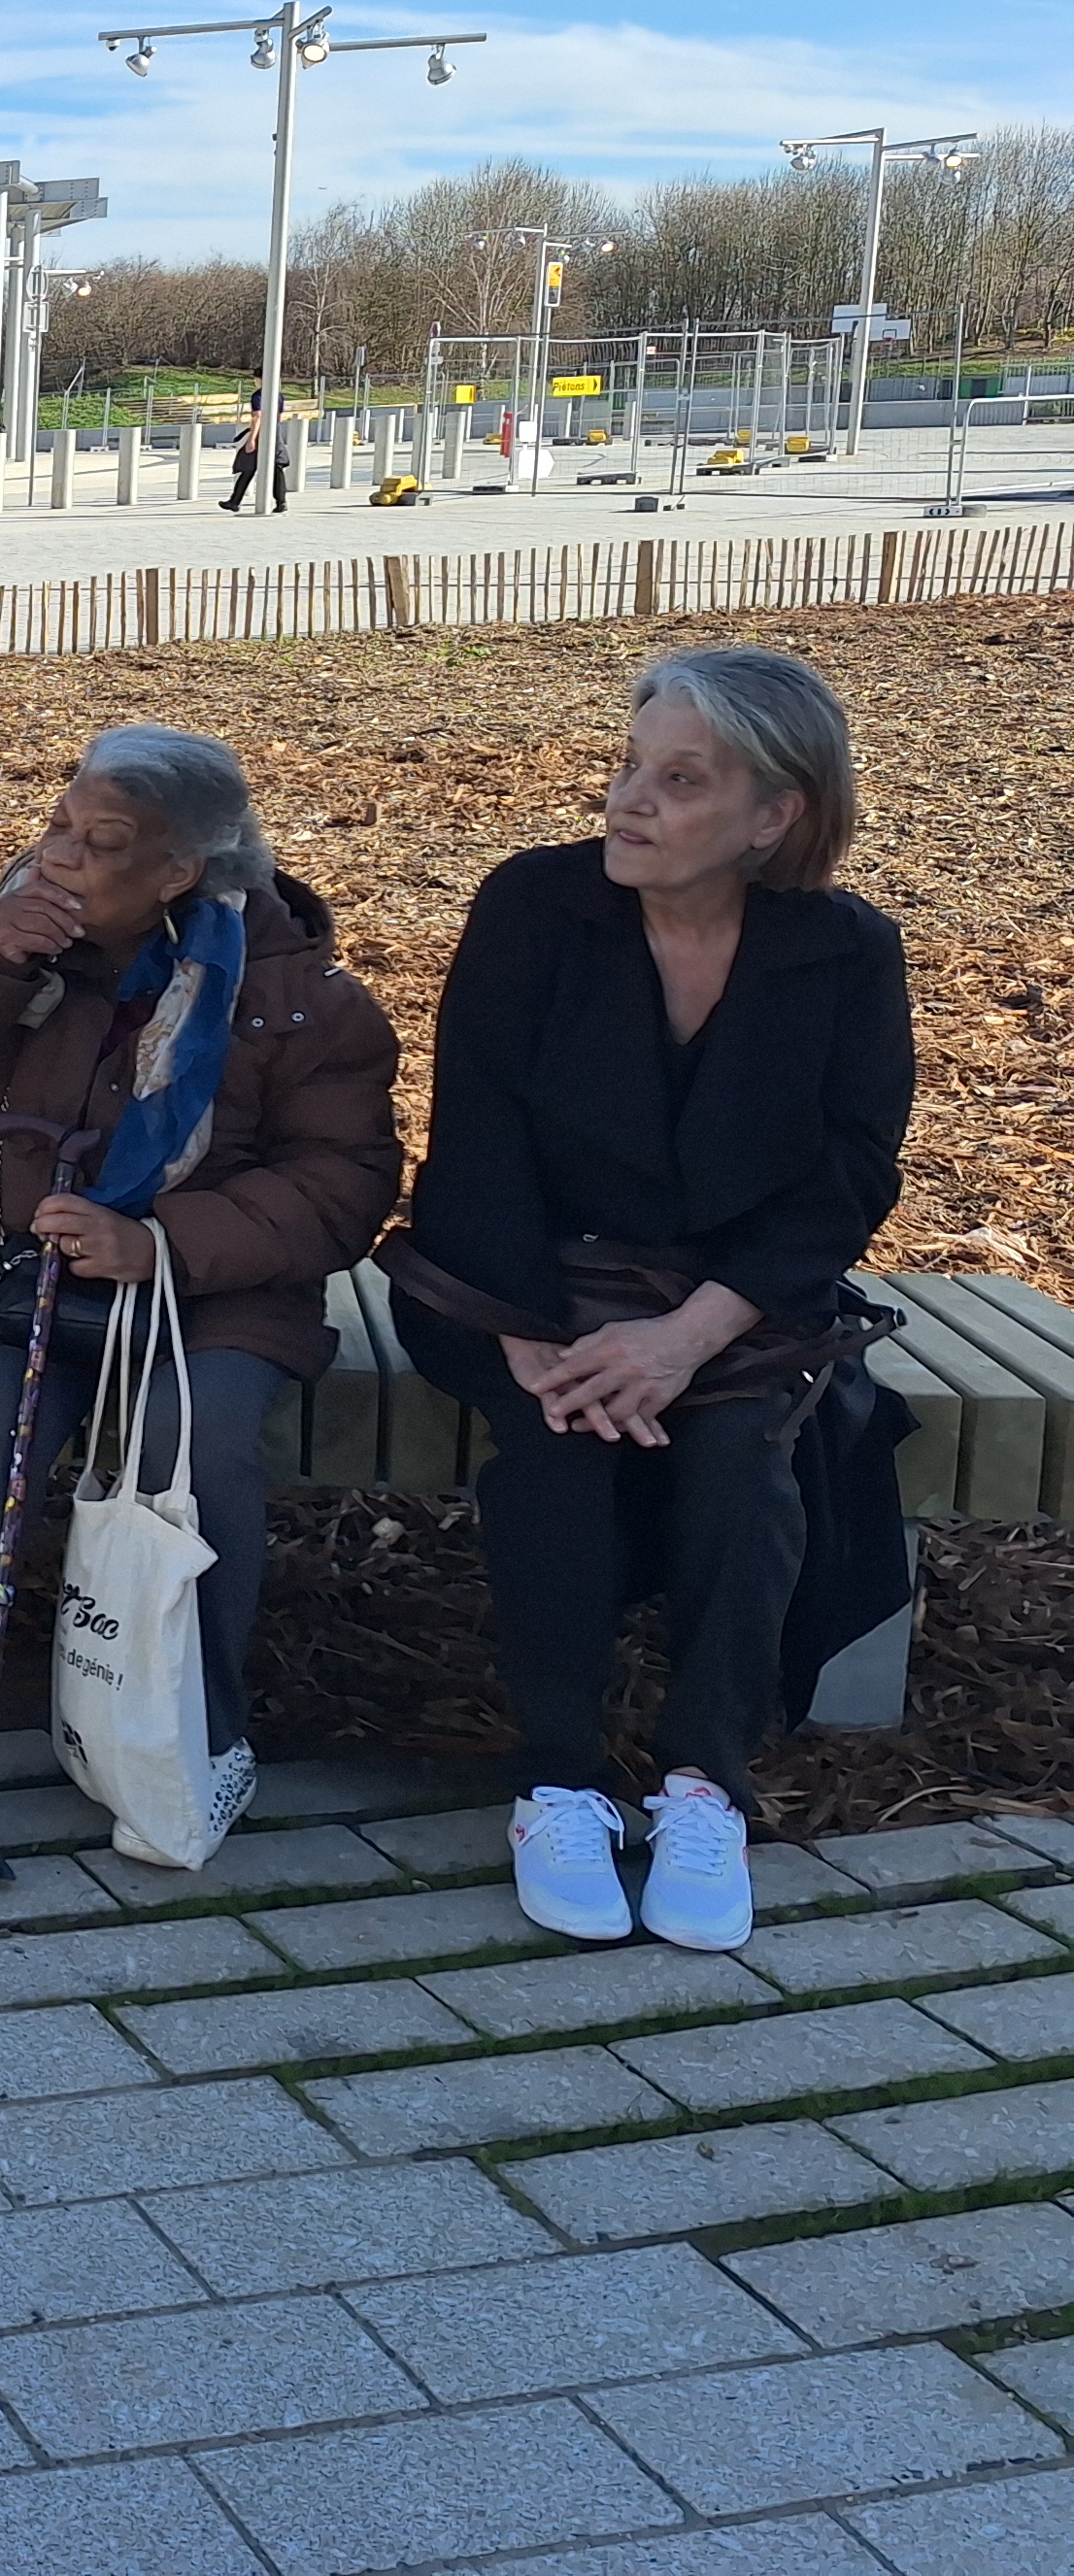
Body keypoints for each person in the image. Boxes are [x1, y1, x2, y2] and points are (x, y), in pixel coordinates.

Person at [388, 648, 911, 1956]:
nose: (630, 800)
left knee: (745, 1458)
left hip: (729, 1310)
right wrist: (549, 1348)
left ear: (772, 815)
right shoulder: (535, 907)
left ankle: (702, 1789)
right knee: (558, 1442)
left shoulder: (845, 951)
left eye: (680, 781)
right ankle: (557, 1780)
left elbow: (850, 1173)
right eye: (631, 768)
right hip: (517, 1285)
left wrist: (684, 1339)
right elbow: (477, 1144)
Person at [0, 727, 402, 1874]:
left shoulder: (297, 993)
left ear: (181, 869)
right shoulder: (8, 943)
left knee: (200, 1435)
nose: (62, 856)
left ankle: (198, 1742)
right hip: (7, 1270)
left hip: (211, 1291)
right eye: (59, 825)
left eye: (102, 841)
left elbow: (343, 1186)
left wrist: (159, 1241)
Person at [222, 391, 293, 515]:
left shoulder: (258, 396)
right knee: (277, 466)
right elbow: (278, 416)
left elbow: (257, 417)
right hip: (274, 432)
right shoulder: (279, 395)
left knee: (248, 466)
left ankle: (235, 501)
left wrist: (252, 439)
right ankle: (281, 502)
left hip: (261, 434)